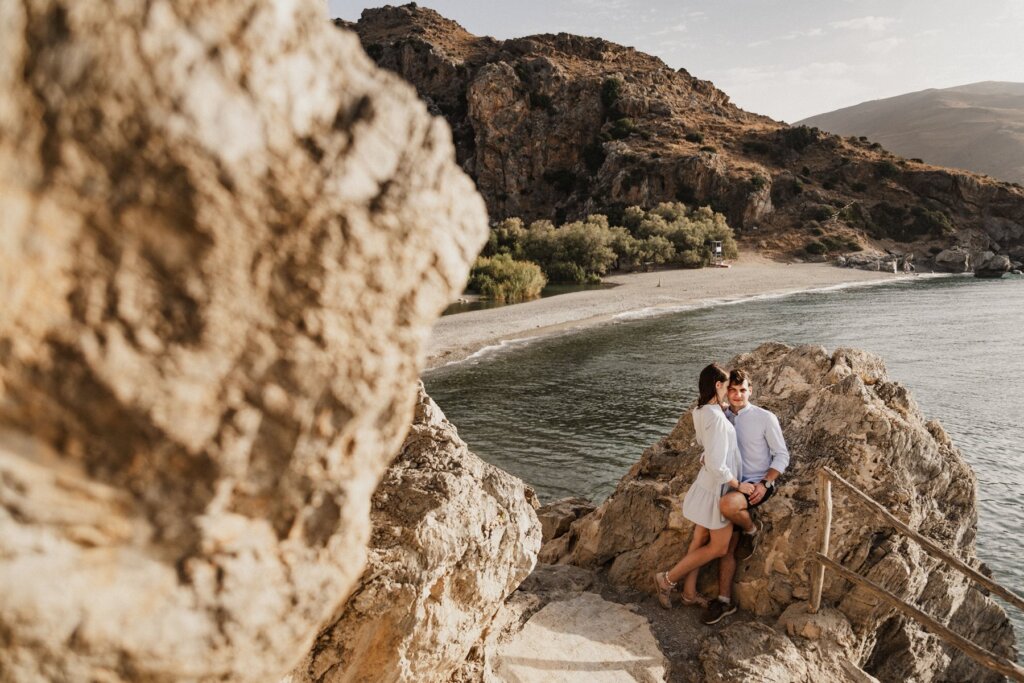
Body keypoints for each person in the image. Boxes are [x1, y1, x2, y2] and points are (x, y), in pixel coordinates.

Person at [652, 364, 755, 609]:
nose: (730, 391)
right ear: (717, 386)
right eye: (727, 386)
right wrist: (738, 485)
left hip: (705, 484)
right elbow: (718, 464)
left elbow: (704, 444)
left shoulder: (701, 411)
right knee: (719, 548)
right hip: (717, 488)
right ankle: (666, 580)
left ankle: (688, 593)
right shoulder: (718, 419)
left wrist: (722, 410)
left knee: (699, 540)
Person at [700, 368, 790, 624]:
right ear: (725, 391)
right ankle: (724, 601)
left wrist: (765, 483)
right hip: (731, 483)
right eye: (733, 390)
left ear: (750, 391)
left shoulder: (764, 417)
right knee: (727, 542)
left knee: (727, 506)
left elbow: (781, 455)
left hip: (757, 484)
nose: (738, 395)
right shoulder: (721, 417)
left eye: (743, 390)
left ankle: (752, 530)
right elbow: (709, 448)